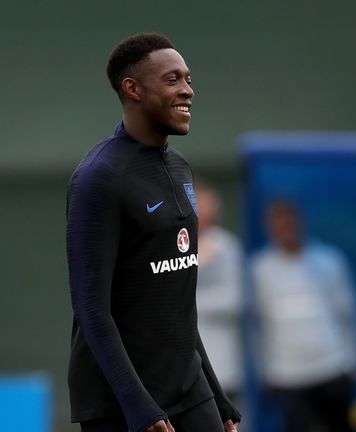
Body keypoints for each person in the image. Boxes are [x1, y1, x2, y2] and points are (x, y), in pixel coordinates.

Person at [66, 33, 240, 432]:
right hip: (121, 402)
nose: (188, 91)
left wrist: (216, 394)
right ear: (133, 89)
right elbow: (92, 310)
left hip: (189, 391)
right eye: (173, 80)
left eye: (189, 79)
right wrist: (139, 407)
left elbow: (177, 306)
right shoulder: (99, 178)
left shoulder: (178, 168)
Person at [249, 201, 356, 432]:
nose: (285, 228)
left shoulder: (329, 261)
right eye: (278, 223)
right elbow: (256, 325)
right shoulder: (259, 269)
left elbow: (348, 315)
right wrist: (264, 370)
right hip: (286, 376)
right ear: (269, 227)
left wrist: (354, 362)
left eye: (289, 221)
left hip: (333, 368)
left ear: (300, 222)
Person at [196, 181, 244, 403]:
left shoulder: (226, 246)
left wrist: (190, 305)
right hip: (178, 369)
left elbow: (236, 299)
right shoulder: (170, 244)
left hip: (221, 367)